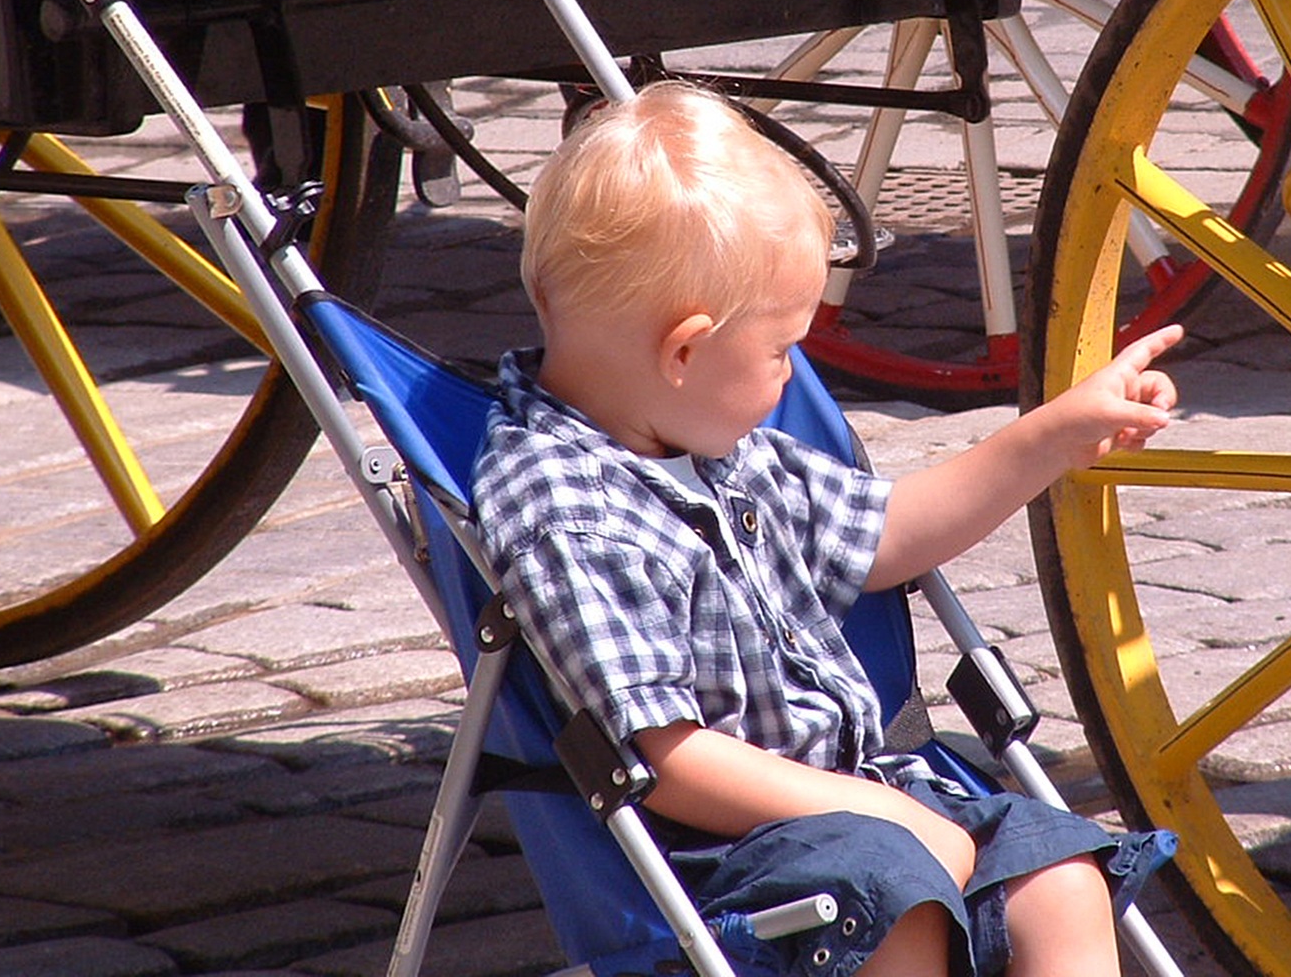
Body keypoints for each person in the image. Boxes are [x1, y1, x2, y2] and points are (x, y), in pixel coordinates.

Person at [476, 82, 1181, 977]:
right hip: (721, 852)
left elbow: (887, 533)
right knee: (893, 901)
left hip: (860, 808)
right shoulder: (570, 515)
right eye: (782, 350)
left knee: (1061, 873)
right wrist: (872, 812)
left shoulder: (715, 443)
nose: (792, 375)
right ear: (685, 352)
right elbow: (673, 762)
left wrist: (1053, 433)